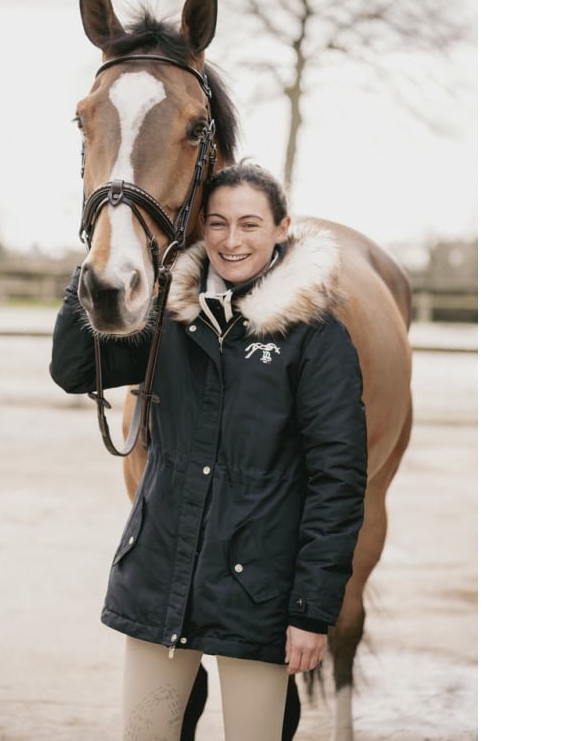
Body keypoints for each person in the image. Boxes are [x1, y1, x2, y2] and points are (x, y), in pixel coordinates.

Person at [50, 162, 368, 741]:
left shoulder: (318, 340)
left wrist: (310, 610)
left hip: (259, 595)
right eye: (217, 223)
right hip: (159, 581)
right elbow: (73, 369)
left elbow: (337, 482)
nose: (230, 240)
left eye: (250, 224)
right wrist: (100, 260)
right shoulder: (166, 317)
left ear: (282, 229)